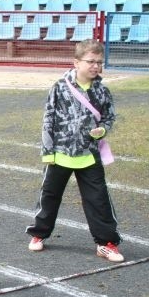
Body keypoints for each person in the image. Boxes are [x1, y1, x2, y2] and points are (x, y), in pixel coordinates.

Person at [26, 39, 123, 262]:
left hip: (89, 155)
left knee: (98, 199)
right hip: (59, 153)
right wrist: (47, 150)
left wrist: (103, 129)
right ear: (76, 62)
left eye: (99, 62)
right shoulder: (59, 87)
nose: (96, 66)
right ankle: (39, 234)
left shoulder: (102, 91)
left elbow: (109, 116)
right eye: (90, 61)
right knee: (49, 196)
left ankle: (106, 243)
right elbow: (48, 119)